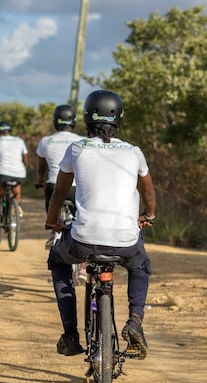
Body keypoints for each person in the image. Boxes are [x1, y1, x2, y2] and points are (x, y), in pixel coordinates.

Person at [45, 90, 156, 359]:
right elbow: (149, 192)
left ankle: (70, 334)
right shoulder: (134, 152)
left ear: (86, 119)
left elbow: (60, 192)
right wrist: (148, 215)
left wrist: (52, 221)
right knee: (140, 265)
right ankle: (135, 321)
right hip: (126, 241)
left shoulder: (77, 149)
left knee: (58, 261)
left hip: (83, 238)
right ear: (119, 120)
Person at [35, 104, 84, 249]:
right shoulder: (83, 141)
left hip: (54, 187)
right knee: (82, 227)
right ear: (74, 121)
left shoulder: (46, 141)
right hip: (77, 189)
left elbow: (41, 167)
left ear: (55, 121)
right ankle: (82, 269)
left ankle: (53, 230)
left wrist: (39, 180)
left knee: (50, 197)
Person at [0, 120, 28, 239]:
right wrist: (21, 168)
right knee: (16, 190)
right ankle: (16, 205)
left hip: (2, 174)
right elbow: (25, 159)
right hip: (19, 173)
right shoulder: (19, 141)